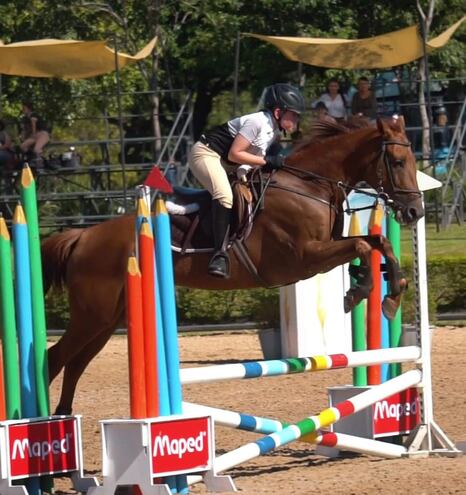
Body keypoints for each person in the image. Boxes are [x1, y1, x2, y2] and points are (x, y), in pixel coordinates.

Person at [188, 83, 305, 279]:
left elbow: (245, 162)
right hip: (205, 154)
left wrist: (258, 168)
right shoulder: (257, 122)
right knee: (224, 195)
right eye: (293, 114)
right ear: (278, 112)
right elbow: (235, 154)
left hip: (227, 162)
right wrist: (266, 161)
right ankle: (219, 255)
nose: (296, 119)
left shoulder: (272, 130)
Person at [19, 101, 50, 165]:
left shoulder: (33, 115)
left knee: (37, 149)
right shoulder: (25, 118)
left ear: (28, 109)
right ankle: (31, 159)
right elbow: (26, 129)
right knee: (23, 146)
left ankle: (44, 162)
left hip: (42, 133)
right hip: (35, 135)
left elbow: (34, 124)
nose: (23, 110)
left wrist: (33, 134)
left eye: (24, 109)